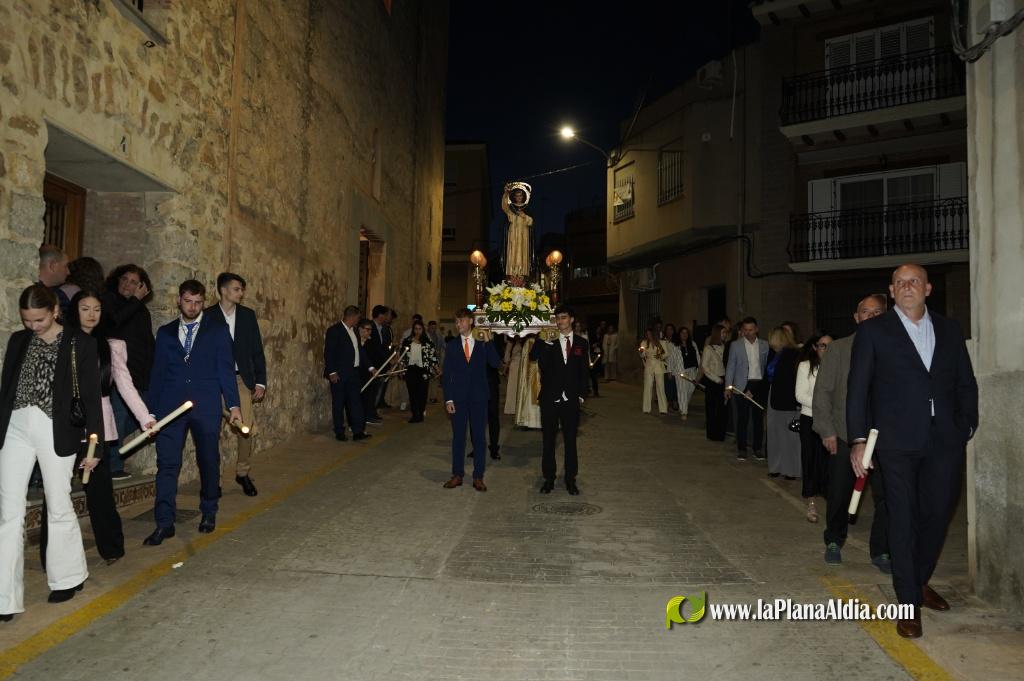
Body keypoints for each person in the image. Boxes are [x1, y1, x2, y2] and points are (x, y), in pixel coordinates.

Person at [847, 264, 978, 639]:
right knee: (902, 519)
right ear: (892, 291)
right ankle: (907, 602)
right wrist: (858, 440)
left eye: (914, 281)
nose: (907, 287)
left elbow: (965, 383)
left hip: (945, 441)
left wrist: (966, 425)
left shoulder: (950, 330)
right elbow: (858, 389)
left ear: (928, 289)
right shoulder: (873, 331)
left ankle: (919, 580)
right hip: (895, 443)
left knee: (937, 516)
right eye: (900, 283)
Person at [0, 284, 102, 620]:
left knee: (58, 503)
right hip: (15, 427)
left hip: (55, 429)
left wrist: (95, 444)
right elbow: (6, 390)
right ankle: (3, 597)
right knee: (8, 511)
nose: (33, 326)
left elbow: (91, 396)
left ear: (55, 311)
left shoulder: (79, 343)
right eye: (27, 320)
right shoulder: (18, 340)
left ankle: (68, 577)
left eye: (39, 320)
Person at [40, 290, 155, 565]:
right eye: (85, 308)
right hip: (64, 426)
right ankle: (49, 555)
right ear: (74, 311)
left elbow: (125, 385)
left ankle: (111, 548)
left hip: (98, 427)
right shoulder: (61, 341)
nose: (91, 315)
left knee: (101, 493)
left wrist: (145, 418)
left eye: (97, 309)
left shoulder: (112, 345)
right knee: (55, 492)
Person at [142, 280, 242, 546]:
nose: (193, 307)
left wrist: (233, 405)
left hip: (206, 407)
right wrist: (151, 413)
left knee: (208, 460)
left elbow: (226, 370)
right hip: (170, 408)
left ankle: (209, 511)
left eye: (198, 303)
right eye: (188, 301)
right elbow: (157, 374)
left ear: (203, 303)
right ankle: (164, 523)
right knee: (167, 465)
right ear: (179, 300)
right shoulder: (165, 333)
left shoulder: (217, 330)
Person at [813, 294, 889, 570]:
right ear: (857, 318)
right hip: (844, 434)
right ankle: (834, 540)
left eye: (877, 312)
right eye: (865, 312)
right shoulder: (839, 349)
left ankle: (881, 550)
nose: (871, 316)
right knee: (839, 493)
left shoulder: (894, 348)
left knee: (887, 496)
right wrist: (827, 430)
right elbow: (823, 391)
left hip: (885, 439)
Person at [204, 273, 267, 498]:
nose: (241, 293)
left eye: (241, 289)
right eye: (236, 289)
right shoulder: (207, 316)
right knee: (213, 431)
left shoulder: (247, 316)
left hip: (241, 380)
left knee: (245, 429)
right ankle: (215, 478)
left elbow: (257, 350)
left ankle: (242, 472)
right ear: (223, 290)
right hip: (214, 382)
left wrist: (260, 381)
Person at [102, 264, 155, 480]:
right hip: (119, 374)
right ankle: (112, 465)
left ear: (142, 287)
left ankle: (103, 452)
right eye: (124, 279)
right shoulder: (109, 301)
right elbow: (113, 323)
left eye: (134, 282)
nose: (127, 284)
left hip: (141, 373)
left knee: (141, 415)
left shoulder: (141, 310)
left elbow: (147, 341)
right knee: (119, 417)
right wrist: (135, 300)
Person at [531, 305, 589, 495]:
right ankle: (549, 478)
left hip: (571, 399)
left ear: (571, 319)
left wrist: (581, 395)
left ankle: (570, 479)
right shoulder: (548, 339)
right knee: (548, 441)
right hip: (550, 398)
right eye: (558, 318)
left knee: (570, 442)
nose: (560, 321)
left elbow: (584, 372)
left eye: (564, 317)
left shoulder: (581, 343)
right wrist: (546, 342)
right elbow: (533, 357)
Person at [442, 308, 500, 492]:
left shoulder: (482, 343)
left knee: (479, 438)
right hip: (458, 398)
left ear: (471, 321)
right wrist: (448, 399)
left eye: (461, 321)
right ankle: (457, 474)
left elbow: (495, 363)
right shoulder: (452, 345)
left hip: (479, 397)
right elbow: (447, 375)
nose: (457, 324)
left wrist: (489, 341)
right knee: (458, 438)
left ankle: (478, 476)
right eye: (456, 321)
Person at [794, 333, 832, 522]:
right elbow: (800, 395)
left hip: (831, 421)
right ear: (815, 348)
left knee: (829, 462)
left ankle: (831, 499)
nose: (825, 349)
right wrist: (824, 405)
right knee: (810, 459)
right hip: (810, 419)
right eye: (822, 345)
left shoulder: (839, 367)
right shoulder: (805, 366)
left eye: (829, 345)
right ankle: (811, 502)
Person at [325, 306, 372, 443]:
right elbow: (329, 352)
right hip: (339, 374)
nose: (358, 320)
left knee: (355, 402)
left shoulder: (355, 331)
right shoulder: (334, 331)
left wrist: (370, 367)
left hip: (353, 373)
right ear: (352, 316)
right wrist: (332, 372)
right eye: (358, 318)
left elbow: (360, 351)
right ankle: (339, 431)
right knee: (339, 403)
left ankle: (358, 431)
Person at [725, 317, 769, 461]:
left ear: (756, 329)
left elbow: (766, 366)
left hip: (758, 385)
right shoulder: (735, 345)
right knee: (742, 419)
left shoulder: (764, 345)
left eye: (751, 330)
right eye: (745, 330)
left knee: (758, 419)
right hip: (741, 385)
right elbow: (731, 366)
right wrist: (728, 387)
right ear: (742, 330)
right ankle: (742, 449)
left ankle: (757, 448)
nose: (748, 333)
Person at [765, 326, 801, 479]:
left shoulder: (794, 354)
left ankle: (791, 470)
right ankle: (776, 467)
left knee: (790, 437)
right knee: (774, 434)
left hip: (788, 399)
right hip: (774, 397)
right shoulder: (776, 354)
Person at [399, 319, 440, 423]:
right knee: (412, 394)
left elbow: (433, 357)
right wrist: (400, 369)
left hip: (423, 371)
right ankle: (414, 414)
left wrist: (437, 369)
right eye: (416, 329)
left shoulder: (428, 342)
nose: (417, 331)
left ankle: (420, 413)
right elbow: (402, 357)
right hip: (410, 370)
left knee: (422, 393)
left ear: (423, 330)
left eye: (420, 329)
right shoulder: (407, 341)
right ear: (413, 330)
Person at [700, 324, 727, 441]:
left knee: (721, 409)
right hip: (712, 381)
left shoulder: (724, 347)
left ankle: (720, 434)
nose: (725, 335)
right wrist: (717, 379)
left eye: (725, 332)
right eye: (723, 332)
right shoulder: (708, 349)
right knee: (711, 408)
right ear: (717, 333)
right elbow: (705, 367)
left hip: (723, 379)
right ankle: (712, 434)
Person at [502, 182, 534, 278]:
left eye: (520, 196)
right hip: (513, 233)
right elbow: (504, 206)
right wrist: (506, 193)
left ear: (523, 197)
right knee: (513, 252)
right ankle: (512, 274)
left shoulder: (527, 209)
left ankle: (522, 274)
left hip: (524, 234)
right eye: (517, 196)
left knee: (522, 252)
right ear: (514, 197)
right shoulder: (511, 208)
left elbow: (531, 222)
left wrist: (524, 216)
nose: (519, 197)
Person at [365, 305, 391, 422]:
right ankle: (368, 413)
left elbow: (384, 346)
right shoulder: (369, 327)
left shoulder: (383, 329)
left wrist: (389, 359)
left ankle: (372, 411)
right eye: (385, 315)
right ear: (380, 315)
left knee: (375, 390)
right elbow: (373, 348)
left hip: (381, 365)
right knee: (370, 391)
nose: (386, 317)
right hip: (371, 364)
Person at [673, 326, 701, 420]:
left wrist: (700, 369)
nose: (684, 335)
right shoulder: (675, 345)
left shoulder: (693, 344)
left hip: (692, 370)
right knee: (682, 391)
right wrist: (670, 371)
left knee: (690, 390)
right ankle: (684, 412)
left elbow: (697, 356)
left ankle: (683, 406)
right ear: (679, 334)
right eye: (682, 333)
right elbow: (671, 359)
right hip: (680, 371)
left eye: (686, 333)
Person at [515, 335, 543, 429]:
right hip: (533, 374)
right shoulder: (530, 342)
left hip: (543, 373)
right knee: (532, 396)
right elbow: (528, 360)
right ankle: (531, 421)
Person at [640, 325, 669, 415]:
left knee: (660, 387)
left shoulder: (661, 342)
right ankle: (646, 408)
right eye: (647, 334)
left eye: (649, 334)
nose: (648, 335)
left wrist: (660, 356)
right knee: (648, 386)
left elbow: (666, 353)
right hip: (649, 366)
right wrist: (641, 352)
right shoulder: (644, 343)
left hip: (658, 365)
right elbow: (642, 355)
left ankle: (663, 409)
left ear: (653, 334)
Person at [37, 244, 71, 318]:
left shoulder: (58, 293)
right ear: (53, 266)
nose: (68, 272)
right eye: (65, 266)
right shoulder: (34, 295)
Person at [503, 337, 523, 415]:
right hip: (514, 367)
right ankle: (511, 408)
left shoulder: (524, 340)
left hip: (522, 367)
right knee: (513, 387)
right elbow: (507, 355)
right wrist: (506, 365)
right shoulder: (511, 342)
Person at [662, 323, 679, 411]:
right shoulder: (663, 341)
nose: (669, 331)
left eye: (671, 329)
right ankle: (669, 402)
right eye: (667, 329)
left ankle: (675, 401)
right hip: (665, 365)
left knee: (675, 384)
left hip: (676, 366)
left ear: (673, 331)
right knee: (667, 384)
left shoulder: (676, 341)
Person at [427, 320, 445, 403]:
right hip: (427, 360)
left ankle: (433, 397)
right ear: (428, 327)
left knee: (435, 378)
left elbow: (443, 345)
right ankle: (427, 396)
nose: (433, 329)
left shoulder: (439, 335)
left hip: (436, 359)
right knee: (428, 379)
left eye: (434, 328)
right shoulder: (425, 335)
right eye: (431, 328)